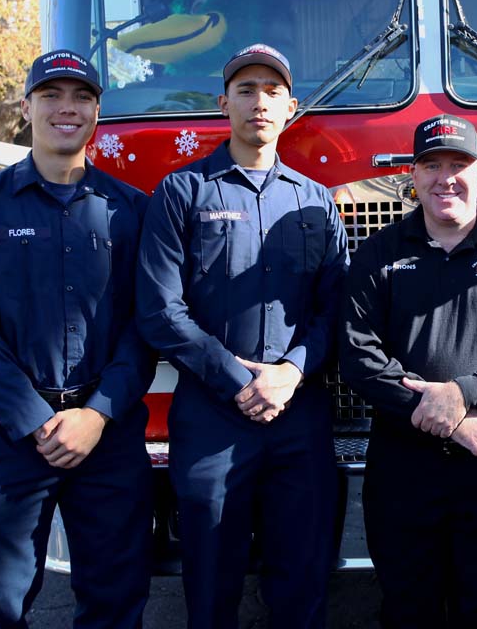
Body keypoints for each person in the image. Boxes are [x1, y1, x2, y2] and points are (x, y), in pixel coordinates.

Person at [0, 49, 155, 628]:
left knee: (116, 602)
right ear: (28, 106)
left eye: (82, 96)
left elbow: (148, 324)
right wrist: (34, 417)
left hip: (106, 436)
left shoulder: (132, 212)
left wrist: (98, 413)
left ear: (97, 112)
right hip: (11, 436)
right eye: (52, 95)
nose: (67, 108)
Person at [135, 44, 348, 629]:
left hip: (298, 417)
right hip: (210, 418)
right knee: (209, 589)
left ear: (291, 108)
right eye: (246, 90)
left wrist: (292, 371)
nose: (259, 102)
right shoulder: (182, 193)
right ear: (223, 102)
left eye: (273, 91)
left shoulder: (316, 201)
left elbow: (335, 308)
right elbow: (159, 309)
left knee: (302, 586)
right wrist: (236, 378)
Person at [339, 114, 477, 628]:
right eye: (431, 165)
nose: (446, 178)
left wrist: (466, 393)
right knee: (405, 611)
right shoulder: (379, 254)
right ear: (413, 176)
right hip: (401, 468)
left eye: (459, 164)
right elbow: (356, 355)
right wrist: (444, 415)